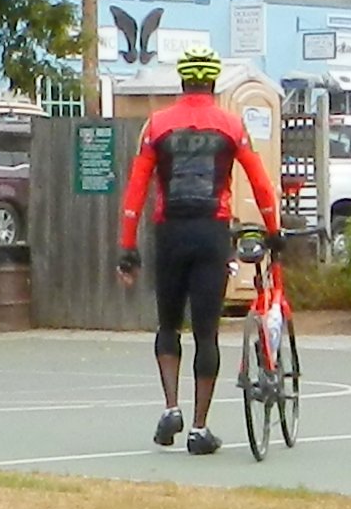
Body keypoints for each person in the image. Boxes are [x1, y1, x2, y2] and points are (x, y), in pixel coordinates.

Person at [116, 46, 282, 456]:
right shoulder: (231, 125)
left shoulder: (156, 126)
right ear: (212, 83)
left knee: (168, 325)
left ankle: (171, 407)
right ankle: (199, 428)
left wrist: (127, 246)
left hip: (168, 231)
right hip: (211, 232)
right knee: (206, 332)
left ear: (183, 82)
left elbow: (136, 191)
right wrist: (273, 229)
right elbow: (260, 183)